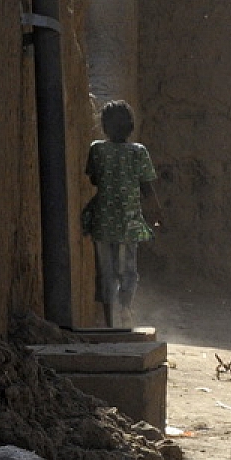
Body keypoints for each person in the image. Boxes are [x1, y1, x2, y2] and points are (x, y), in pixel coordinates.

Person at [82, 99, 163, 327]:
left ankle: (109, 322)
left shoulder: (97, 149)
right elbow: (147, 187)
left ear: (104, 126)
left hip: (103, 220)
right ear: (131, 126)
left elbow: (94, 178)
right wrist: (157, 213)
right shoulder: (139, 152)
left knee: (105, 272)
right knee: (128, 270)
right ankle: (126, 307)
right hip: (129, 221)